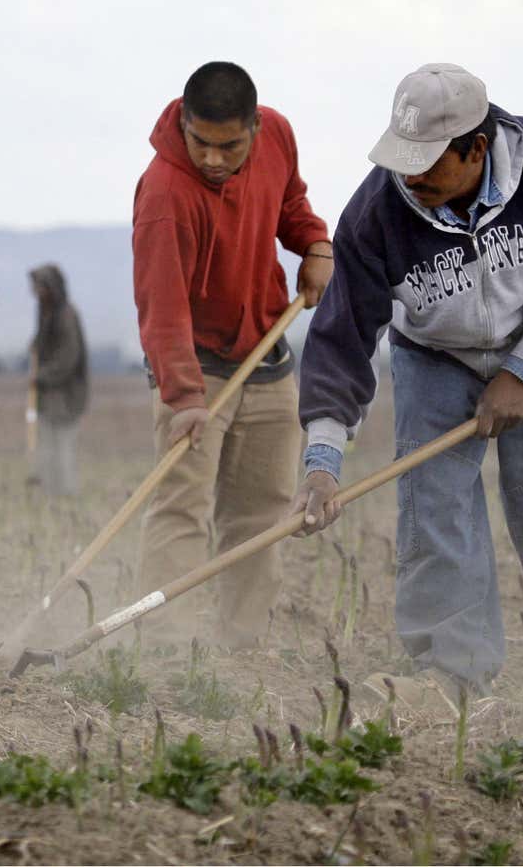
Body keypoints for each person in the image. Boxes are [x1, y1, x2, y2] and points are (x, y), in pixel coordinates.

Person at [293, 63, 523, 710]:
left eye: (428, 164)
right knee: (435, 509)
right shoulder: (374, 214)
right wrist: (323, 461)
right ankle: (454, 676)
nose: (410, 178)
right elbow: (341, 340)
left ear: (476, 147)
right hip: (435, 358)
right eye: (402, 161)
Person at [131, 61, 334, 647]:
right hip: (195, 371)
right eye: (201, 143)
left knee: (264, 514)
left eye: (229, 145)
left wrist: (315, 243)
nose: (214, 159)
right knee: (181, 509)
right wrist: (185, 399)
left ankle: (242, 648)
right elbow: (161, 308)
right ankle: (163, 651)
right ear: (183, 123)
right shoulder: (165, 194)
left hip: (267, 357)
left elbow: (290, 203)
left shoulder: (279, 135)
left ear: (255, 128)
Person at [27, 263, 88, 496]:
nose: (36, 292)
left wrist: (41, 376)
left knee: (62, 446)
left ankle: (66, 493)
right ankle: (49, 491)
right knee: (48, 445)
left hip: (65, 396)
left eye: (39, 287)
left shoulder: (65, 315)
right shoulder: (46, 312)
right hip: (49, 396)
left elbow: (68, 358)